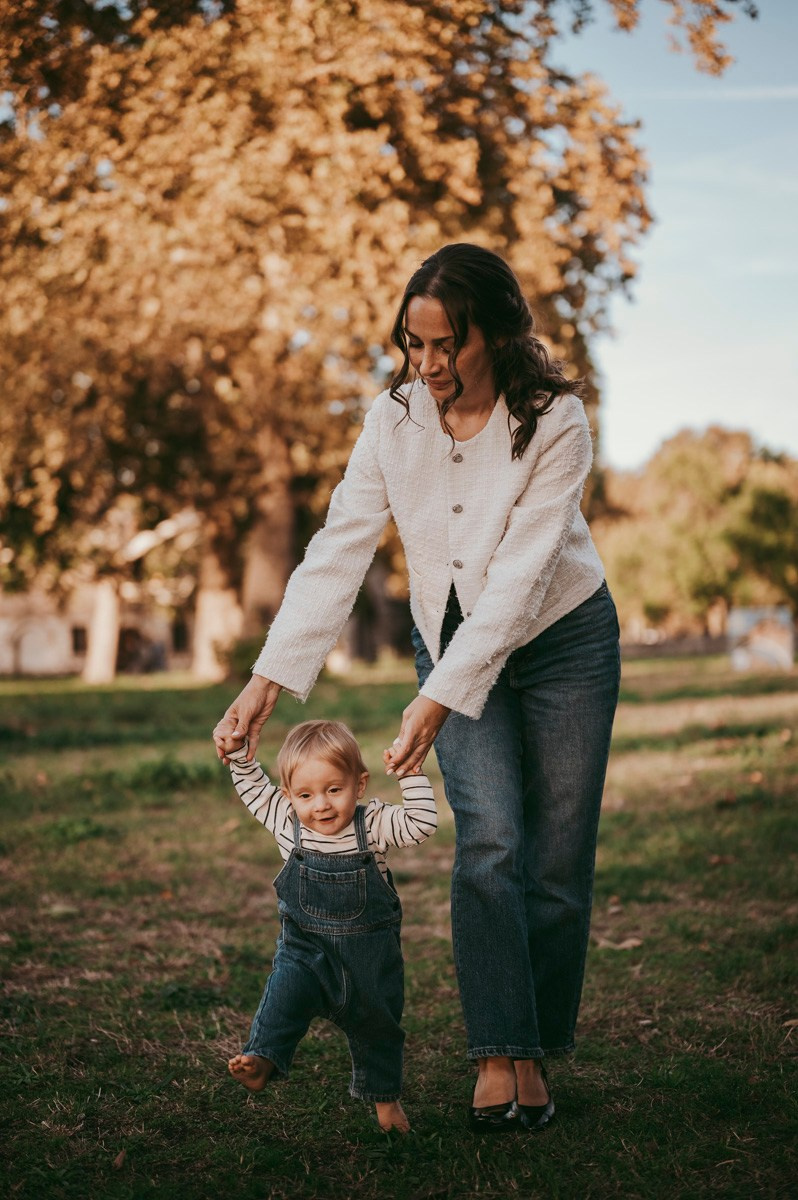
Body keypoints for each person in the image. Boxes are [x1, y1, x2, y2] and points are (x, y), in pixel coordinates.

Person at [213, 243, 621, 1134]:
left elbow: (519, 581)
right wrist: (268, 680)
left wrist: (437, 698)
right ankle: (494, 1050)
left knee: (553, 865)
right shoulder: (393, 420)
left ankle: (534, 1051)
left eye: (448, 346)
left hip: (563, 642)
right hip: (448, 639)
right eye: (414, 345)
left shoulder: (556, 421)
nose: (428, 366)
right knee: (491, 844)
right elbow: (341, 546)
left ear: (499, 335)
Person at [221, 718, 437, 1133]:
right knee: (282, 997)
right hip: (306, 951)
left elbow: (421, 825)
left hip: (368, 960)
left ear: (359, 785)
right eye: (306, 794)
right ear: (288, 797)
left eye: (333, 790)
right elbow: (251, 787)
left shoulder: (372, 823)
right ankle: (262, 1058)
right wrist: (237, 753)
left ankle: (386, 1104)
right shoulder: (286, 820)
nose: (320, 804)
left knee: (379, 1028)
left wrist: (411, 775)